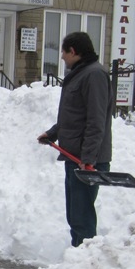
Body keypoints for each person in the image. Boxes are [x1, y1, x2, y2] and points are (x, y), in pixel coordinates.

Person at [37, 31, 113, 247]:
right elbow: (74, 116)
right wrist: (52, 133)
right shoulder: (81, 74)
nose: (61, 57)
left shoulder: (94, 75)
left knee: (81, 216)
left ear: (73, 51)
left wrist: (88, 158)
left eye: (63, 52)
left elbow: (96, 120)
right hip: (75, 157)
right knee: (75, 214)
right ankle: (78, 257)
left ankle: (84, 261)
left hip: (86, 161)